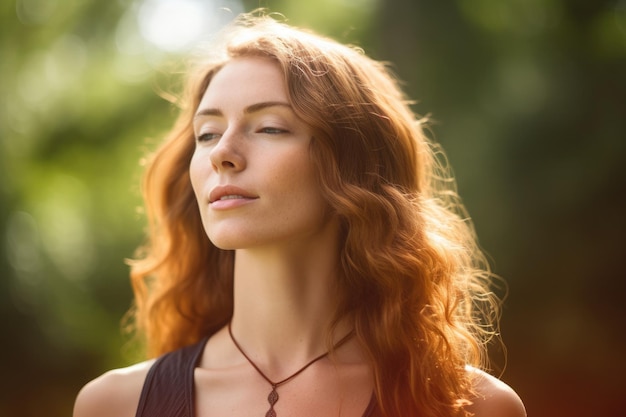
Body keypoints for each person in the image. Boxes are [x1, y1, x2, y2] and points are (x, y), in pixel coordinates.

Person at [73, 11, 526, 417]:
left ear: (355, 168)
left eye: (269, 127)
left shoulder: (472, 407)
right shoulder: (113, 405)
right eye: (207, 134)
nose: (223, 154)